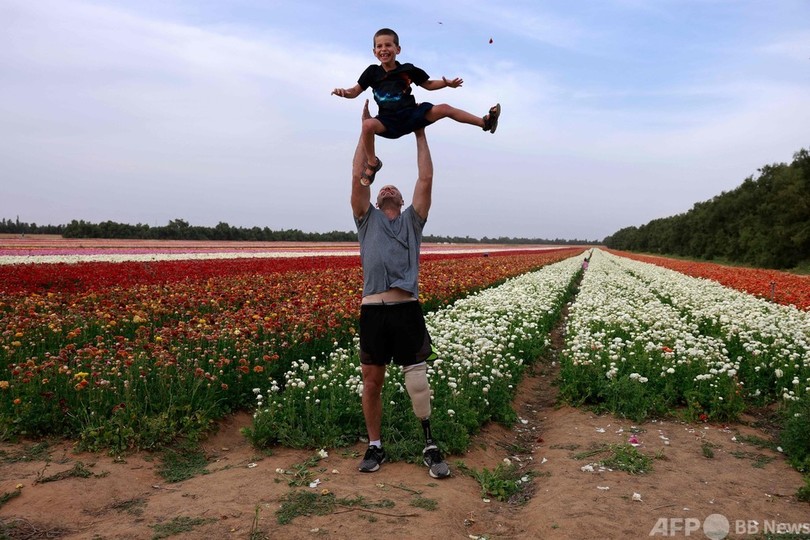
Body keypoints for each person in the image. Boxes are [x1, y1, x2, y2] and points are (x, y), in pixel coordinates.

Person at [350, 100, 450, 479]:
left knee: (417, 380)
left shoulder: (412, 222)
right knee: (371, 381)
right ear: (376, 200)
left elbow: (426, 179)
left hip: (406, 309)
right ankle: (375, 445)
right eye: (382, 189)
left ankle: (429, 443)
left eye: (394, 188)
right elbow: (357, 178)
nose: (388, 189)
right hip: (373, 310)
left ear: (403, 200)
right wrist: (366, 134)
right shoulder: (366, 220)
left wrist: (419, 130)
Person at [333, 27, 501, 186]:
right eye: (379, 46)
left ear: (398, 49)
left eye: (388, 45)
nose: (383, 49)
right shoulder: (372, 72)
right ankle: (372, 162)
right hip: (388, 121)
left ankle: (485, 123)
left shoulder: (408, 69)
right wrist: (344, 93)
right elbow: (354, 91)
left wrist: (446, 84)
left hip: (411, 114)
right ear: (374, 51)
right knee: (367, 125)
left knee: (444, 108)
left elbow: (428, 84)